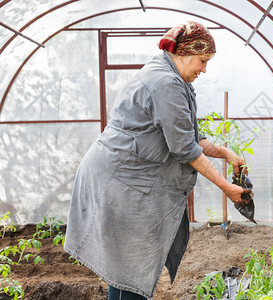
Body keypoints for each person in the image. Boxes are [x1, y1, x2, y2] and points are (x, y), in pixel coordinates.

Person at [64, 21, 250, 300]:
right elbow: (186, 150)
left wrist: (226, 153)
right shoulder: (166, 83)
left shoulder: (171, 77)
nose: (204, 69)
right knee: (135, 264)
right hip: (121, 181)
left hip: (124, 177)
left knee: (126, 267)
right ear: (185, 53)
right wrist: (227, 187)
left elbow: (190, 138)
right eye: (202, 61)